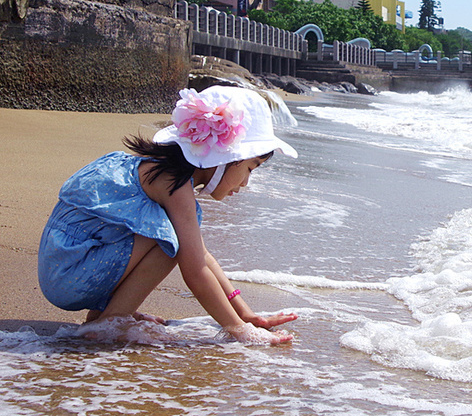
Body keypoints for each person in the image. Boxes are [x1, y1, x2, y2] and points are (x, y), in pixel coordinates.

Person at [38, 85, 298, 344]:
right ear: (227, 156)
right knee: (170, 241)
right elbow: (196, 271)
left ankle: (106, 315)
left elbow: (204, 258)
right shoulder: (171, 182)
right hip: (70, 275)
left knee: (178, 241)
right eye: (251, 168)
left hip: (67, 268)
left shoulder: (162, 173)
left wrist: (246, 314)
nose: (245, 183)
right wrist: (240, 330)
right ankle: (111, 320)